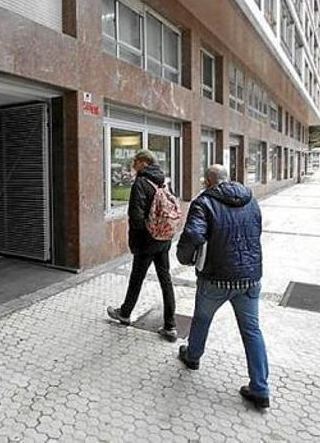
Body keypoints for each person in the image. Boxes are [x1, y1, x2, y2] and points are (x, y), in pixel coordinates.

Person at [175, 165, 269, 410]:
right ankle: (260, 388)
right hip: (249, 278)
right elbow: (257, 230)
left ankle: (193, 357)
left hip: (216, 278)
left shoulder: (203, 203)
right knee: (252, 330)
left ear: (208, 181)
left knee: (202, 318)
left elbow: (194, 235)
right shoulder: (250, 199)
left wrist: (184, 258)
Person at [106, 149, 178, 341]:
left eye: (135, 161)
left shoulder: (141, 182)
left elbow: (136, 217)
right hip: (163, 238)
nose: (133, 164)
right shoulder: (162, 179)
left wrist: (137, 240)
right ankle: (170, 325)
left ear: (144, 162)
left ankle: (125, 313)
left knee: (136, 278)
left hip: (147, 242)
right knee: (166, 280)